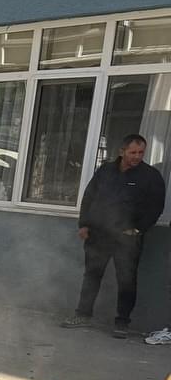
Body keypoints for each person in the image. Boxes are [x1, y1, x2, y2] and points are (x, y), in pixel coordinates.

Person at [62, 134, 165, 338]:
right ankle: (82, 315)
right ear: (122, 151)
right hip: (99, 234)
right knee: (92, 276)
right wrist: (84, 224)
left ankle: (122, 323)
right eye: (133, 152)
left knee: (126, 280)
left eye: (141, 152)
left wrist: (138, 229)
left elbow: (156, 207)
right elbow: (89, 196)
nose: (137, 156)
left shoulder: (150, 176)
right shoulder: (106, 171)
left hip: (127, 238)